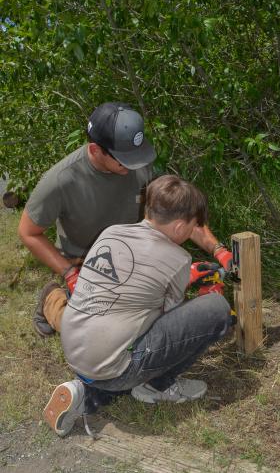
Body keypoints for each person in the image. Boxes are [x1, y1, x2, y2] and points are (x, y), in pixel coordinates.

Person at [18, 102, 233, 337]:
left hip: (137, 256)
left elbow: (178, 212)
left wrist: (219, 250)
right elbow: (28, 232)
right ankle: (53, 300)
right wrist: (69, 272)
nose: (135, 165)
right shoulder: (61, 180)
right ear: (95, 150)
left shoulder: (138, 163)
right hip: (92, 264)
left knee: (191, 282)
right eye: (124, 159)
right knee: (100, 334)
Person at [44, 175, 232, 437]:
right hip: (113, 367)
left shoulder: (112, 232)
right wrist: (203, 295)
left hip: (76, 351)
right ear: (179, 227)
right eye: (192, 227)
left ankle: (84, 393)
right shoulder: (178, 259)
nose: (192, 233)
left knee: (117, 343)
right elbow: (168, 324)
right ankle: (158, 386)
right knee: (216, 310)